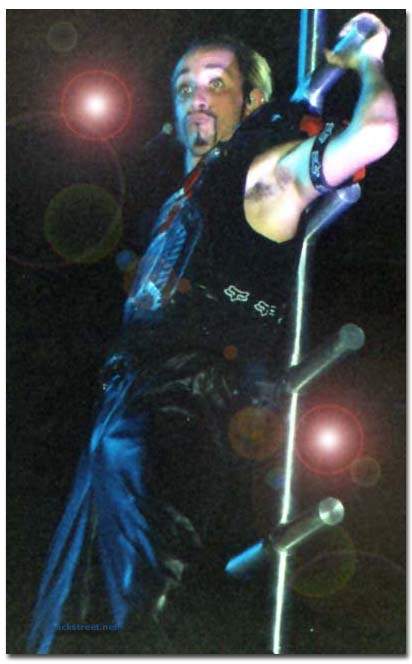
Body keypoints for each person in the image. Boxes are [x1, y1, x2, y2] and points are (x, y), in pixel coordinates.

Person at [26, 12, 398, 655]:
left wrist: (367, 62)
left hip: (183, 406)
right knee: (72, 624)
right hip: (121, 411)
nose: (196, 96)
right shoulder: (178, 201)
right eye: (185, 85)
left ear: (252, 101)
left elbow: (375, 133)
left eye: (216, 83)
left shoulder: (262, 174)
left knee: (140, 615)